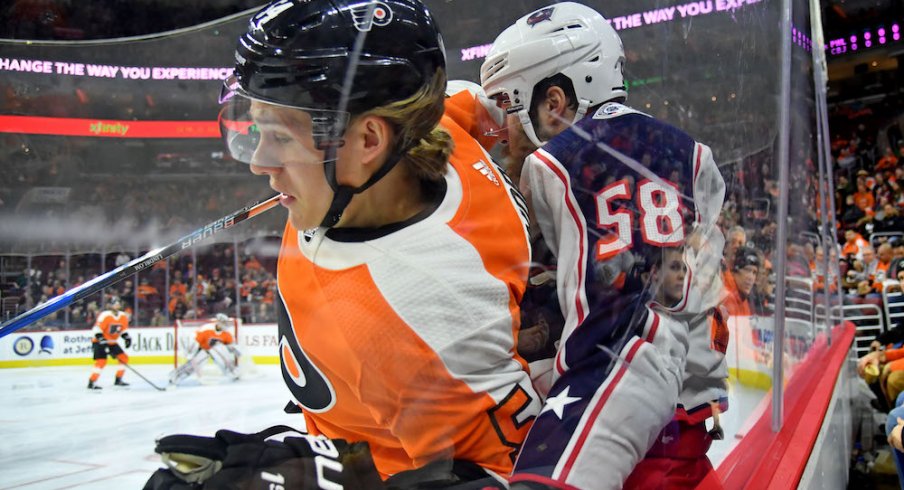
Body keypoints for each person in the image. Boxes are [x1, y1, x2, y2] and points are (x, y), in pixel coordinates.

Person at [214, 0, 540, 484]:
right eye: (257, 129)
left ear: (368, 141)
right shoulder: (435, 129)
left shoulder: (421, 323)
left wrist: (326, 478)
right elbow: (471, 103)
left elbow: (512, 473)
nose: (258, 163)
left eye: (280, 137)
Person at [480, 3, 726, 488]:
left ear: (554, 102)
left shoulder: (554, 164)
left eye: (509, 106)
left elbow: (613, 325)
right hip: (689, 412)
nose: (502, 129)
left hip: (629, 419)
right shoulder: (696, 154)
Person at [168, 313, 241, 385]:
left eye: (225, 323)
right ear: (218, 322)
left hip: (216, 352)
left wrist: (234, 349)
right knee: (194, 364)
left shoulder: (227, 334)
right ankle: (175, 377)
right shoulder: (206, 329)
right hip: (203, 350)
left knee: (220, 351)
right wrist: (192, 353)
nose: (225, 324)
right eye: (223, 322)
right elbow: (195, 341)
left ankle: (233, 373)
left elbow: (231, 345)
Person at [87, 297, 132, 389]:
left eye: (118, 303)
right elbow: (97, 329)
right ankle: (92, 382)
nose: (117, 305)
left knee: (123, 357)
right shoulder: (105, 315)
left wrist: (127, 338)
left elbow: (122, 330)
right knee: (101, 361)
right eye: (115, 303)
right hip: (99, 341)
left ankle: (118, 379)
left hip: (112, 342)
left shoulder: (123, 316)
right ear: (111, 305)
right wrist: (102, 341)